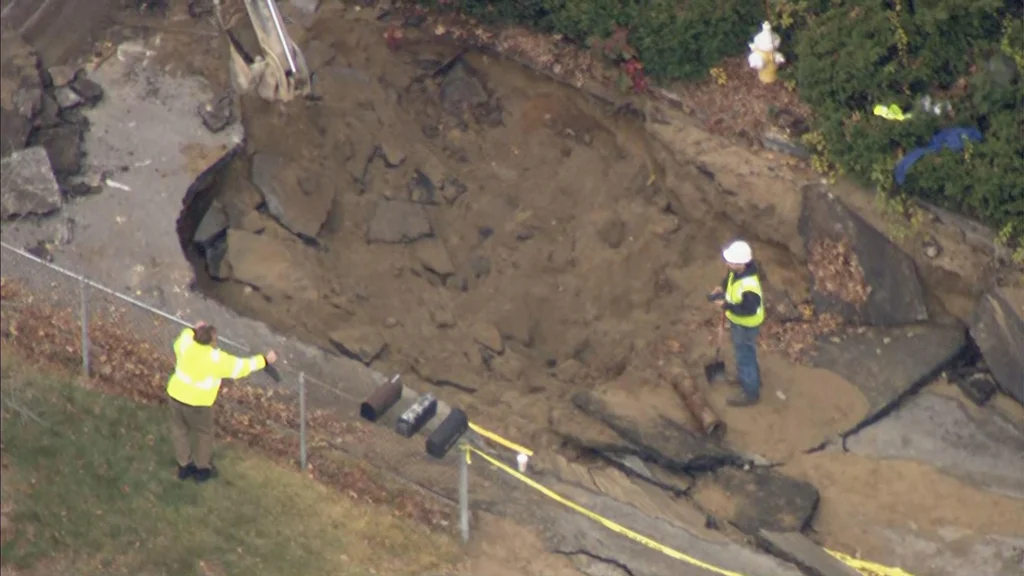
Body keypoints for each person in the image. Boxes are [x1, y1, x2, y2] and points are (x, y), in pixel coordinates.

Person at [167, 321, 277, 483]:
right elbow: (242, 367)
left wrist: (194, 328)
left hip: (175, 396)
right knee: (203, 434)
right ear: (212, 341)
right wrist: (265, 360)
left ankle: (184, 466)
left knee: (179, 431)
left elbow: (185, 334)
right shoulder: (216, 359)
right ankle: (201, 469)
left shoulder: (185, 344)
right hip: (199, 404)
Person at [709, 240, 764, 407]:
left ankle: (750, 392)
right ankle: (751, 379)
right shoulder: (738, 272)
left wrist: (726, 305)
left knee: (744, 355)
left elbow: (748, 309)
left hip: (745, 325)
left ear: (740, 263)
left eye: (730, 261)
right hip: (739, 322)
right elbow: (729, 280)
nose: (727, 263)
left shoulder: (749, 286)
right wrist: (721, 288)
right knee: (746, 353)